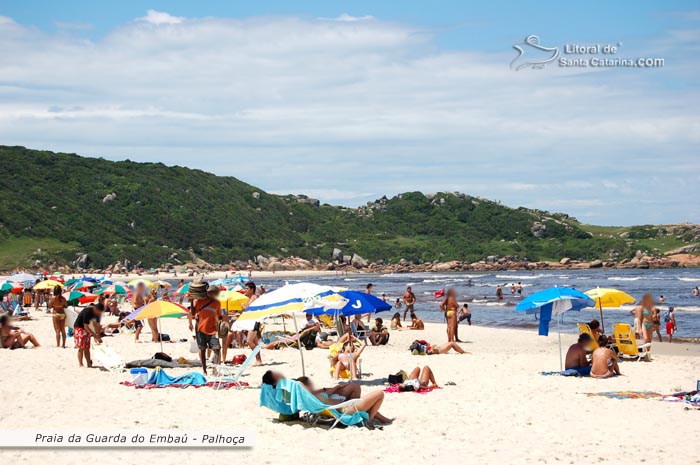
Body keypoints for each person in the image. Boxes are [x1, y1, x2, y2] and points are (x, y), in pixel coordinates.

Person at [262, 371, 391, 425]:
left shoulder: (300, 394)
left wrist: (331, 390)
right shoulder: (302, 390)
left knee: (355, 387)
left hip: (339, 405)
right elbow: (323, 400)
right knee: (380, 394)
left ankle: (382, 419)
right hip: (343, 408)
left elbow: (313, 395)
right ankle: (368, 422)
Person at [188, 285, 222, 374]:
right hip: (201, 328)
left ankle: (215, 369)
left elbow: (219, 316)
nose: (209, 294)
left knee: (217, 349)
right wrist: (191, 301)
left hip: (213, 329)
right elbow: (192, 313)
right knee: (202, 349)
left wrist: (221, 326)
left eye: (212, 292)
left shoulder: (217, 303)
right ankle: (204, 370)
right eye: (209, 292)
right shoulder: (200, 301)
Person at [295, 376, 361, 403]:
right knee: (355, 387)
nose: (312, 384)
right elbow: (325, 397)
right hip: (337, 405)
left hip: (330, 400)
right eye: (310, 383)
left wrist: (327, 389)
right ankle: (355, 408)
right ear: (307, 385)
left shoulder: (307, 395)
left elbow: (322, 394)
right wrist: (336, 388)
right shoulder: (312, 396)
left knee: (353, 386)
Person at [241, 282, 262, 365]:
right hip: (249, 322)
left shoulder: (255, 297)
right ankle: (259, 360)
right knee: (255, 342)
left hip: (254, 321)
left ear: (252, 289)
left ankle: (258, 359)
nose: (245, 290)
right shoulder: (249, 298)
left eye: (247, 288)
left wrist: (246, 308)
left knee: (249, 341)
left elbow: (258, 308)